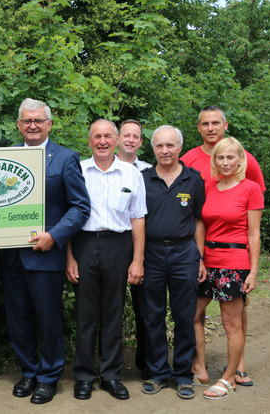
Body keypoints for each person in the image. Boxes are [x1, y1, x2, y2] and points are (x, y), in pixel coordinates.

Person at [0, 98, 90, 405]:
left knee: (49, 318)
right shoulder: (5, 157)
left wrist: (55, 235)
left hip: (46, 254)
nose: (33, 126)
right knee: (18, 318)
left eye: (39, 120)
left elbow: (80, 207)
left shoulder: (65, 158)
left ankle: (49, 376)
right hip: (11, 254)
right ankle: (28, 371)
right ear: (19, 125)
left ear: (49, 124)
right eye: (27, 121)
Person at [182, 105, 265, 387]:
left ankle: (235, 369)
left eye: (216, 123)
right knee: (194, 312)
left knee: (234, 317)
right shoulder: (192, 161)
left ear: (225, 125)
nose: (211, 128)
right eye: (205, 123)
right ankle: (199, 364)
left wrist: (254, 270)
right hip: (207, 256)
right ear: (199, 128)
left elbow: (253, 225)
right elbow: (195, 215)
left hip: (235, 258)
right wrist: (199, 256)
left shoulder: (247, 167)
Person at [66, 119, 146, 401]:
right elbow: (68, 216)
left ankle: (111, 375)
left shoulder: (131, 174)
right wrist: (70, 256)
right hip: (84, 244)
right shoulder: (77, 171)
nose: (102, 141)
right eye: (96, 136)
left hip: (118, 245)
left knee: (113, 313)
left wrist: (138, 260)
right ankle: (85, 375)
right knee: (86, 315)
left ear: (116, 140)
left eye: (107, 136)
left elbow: (138, 219)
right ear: (89, 141)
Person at [139, 126, 206, 400]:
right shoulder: (143, 179)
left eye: (170, 145)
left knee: (184, 317)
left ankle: (182, 375)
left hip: (183, 255)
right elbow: (137, 220)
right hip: (152, 255)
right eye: (159, 146)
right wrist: (138, 258)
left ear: (180, 147)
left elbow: (200, 219)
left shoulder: (193, 179)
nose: (164, 151)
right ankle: (157, 373)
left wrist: (199, 257)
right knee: (152, 316)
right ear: (152, 149)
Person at [116, 119, 152, 380]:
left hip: (143, 246)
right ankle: (110, 365)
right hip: (112, 245)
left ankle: (147, 363)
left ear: (141, 141)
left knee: (146, 307)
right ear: (118, 138)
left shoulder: (149, 172)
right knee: (110, 308)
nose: (130, 139)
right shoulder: (100, 166)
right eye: (126, 135)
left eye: (135, 136)